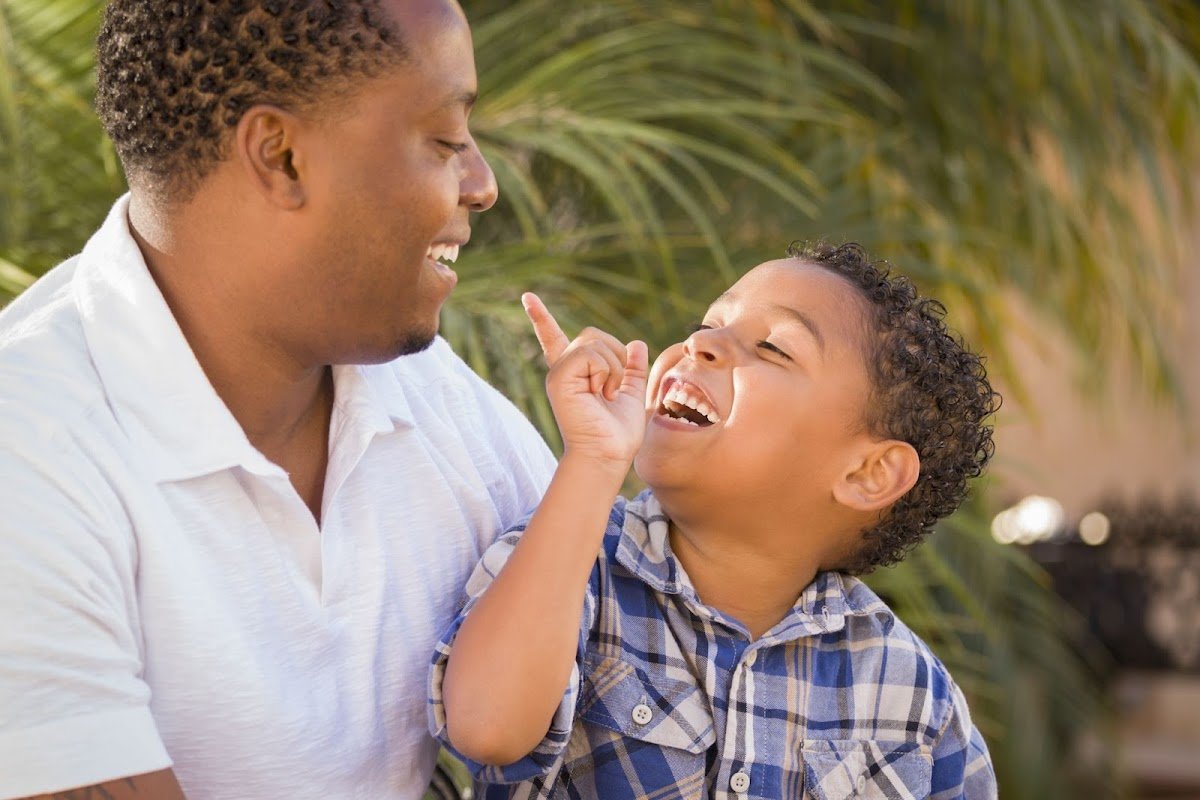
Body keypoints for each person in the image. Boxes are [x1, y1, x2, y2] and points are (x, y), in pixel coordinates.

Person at [0, 1, 556, 798]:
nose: (481, 184)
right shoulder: (27, 450)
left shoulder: (433, 407)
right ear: (282, 155)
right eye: (444, 140)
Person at [430, 242, 1002, 799]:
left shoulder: (913, 700)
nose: (700, 342)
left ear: (868, 473)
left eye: (775, 348)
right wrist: (596, 459)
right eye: (710, 322)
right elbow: (487, 727)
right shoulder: (572, 565)